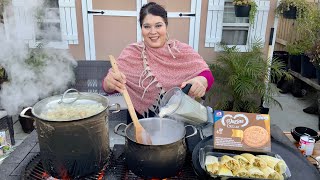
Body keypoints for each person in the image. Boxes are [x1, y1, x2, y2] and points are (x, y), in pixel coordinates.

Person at [103, 2, 214, 123]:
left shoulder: (181, 50)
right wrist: (109, 83)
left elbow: (207, 76)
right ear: (141, 28)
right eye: (147, 26)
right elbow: (110, 87)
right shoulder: (131, 53)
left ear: (166, 26)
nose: (153, 32)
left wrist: (199, 81)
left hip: (178, 123)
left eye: (158, 25)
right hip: (140, 123)